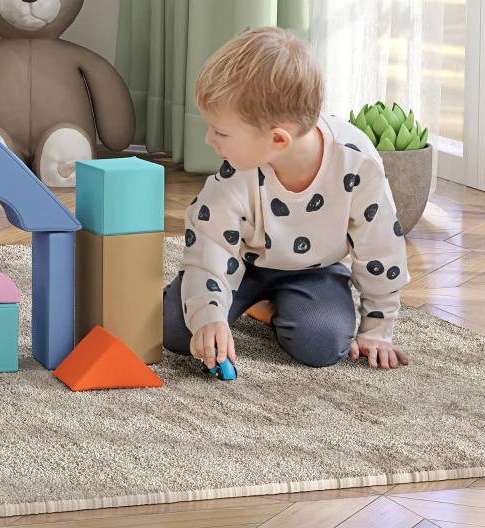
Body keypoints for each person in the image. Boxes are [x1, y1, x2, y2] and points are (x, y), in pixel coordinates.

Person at [163, 27, 410, 371]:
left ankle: (274, 306)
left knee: (321, 344)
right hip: (242, 262)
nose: (209, 140)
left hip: (313, 270)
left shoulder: (357, 166)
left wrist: (377, 329)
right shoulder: (237, 170)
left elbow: (381, 250)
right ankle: (251, 302)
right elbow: (210, 245)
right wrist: (209, 317)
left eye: (220, 132)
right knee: (177, 331)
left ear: (277, 140)